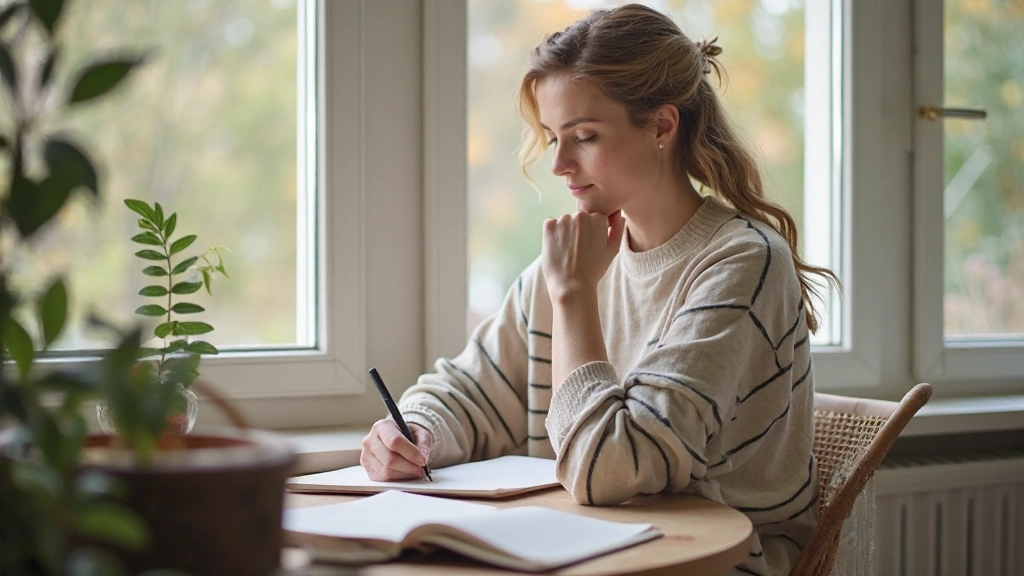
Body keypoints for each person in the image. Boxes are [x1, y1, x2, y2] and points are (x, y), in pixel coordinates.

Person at [360, 4, 838, 575]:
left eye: (583, 136)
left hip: (713, 563)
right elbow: (473, 389)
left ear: (662, 125)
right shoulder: (578, 262)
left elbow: (608, 468)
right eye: (551, 137)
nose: (559, 164)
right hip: (584, 547)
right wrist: (415, 431)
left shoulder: (742, 261)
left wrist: (574, 296)